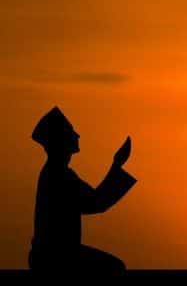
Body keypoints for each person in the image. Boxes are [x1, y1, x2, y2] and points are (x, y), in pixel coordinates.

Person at [28, 106, 137, 272]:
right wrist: (117, 165)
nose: (77, 135)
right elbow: (96, 202)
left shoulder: (55, 172)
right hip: (56, 257)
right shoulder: (60, 175)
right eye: (71, 131)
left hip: (50, 254)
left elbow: (93, 202)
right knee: (115, 268)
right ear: (61, 140)